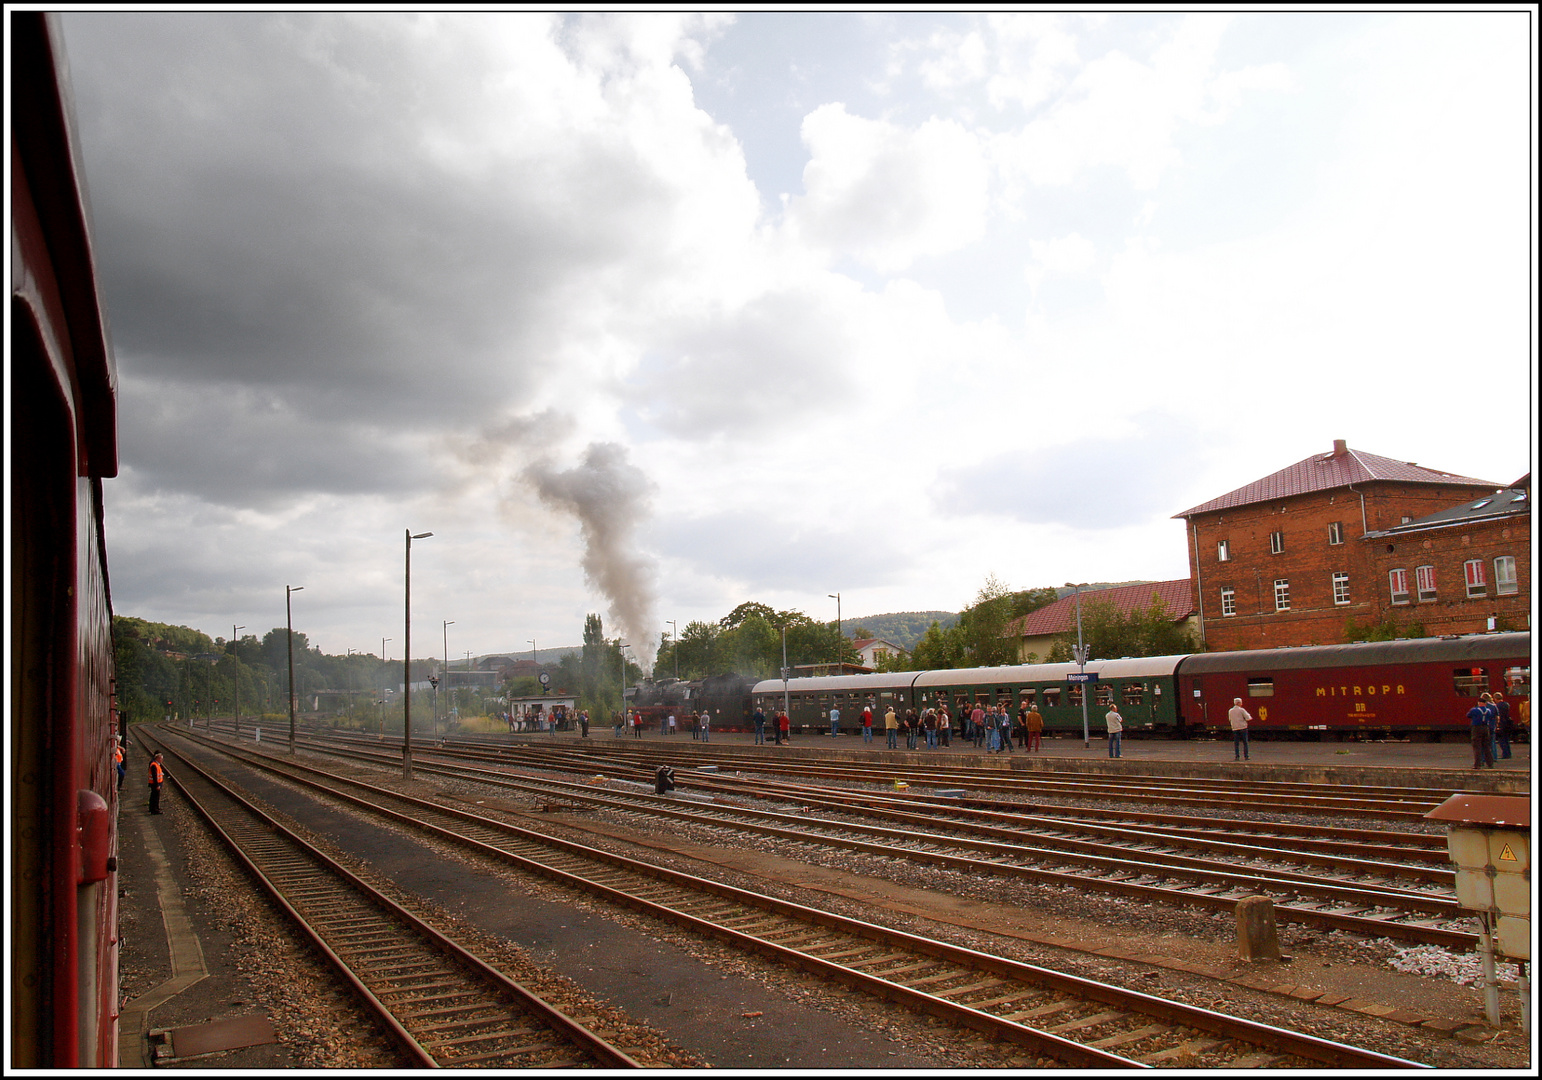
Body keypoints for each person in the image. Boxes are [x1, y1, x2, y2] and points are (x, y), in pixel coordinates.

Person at [1469, 694, 1497, 769]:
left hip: (1477, 728)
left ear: (1479, 703)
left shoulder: (1474, 710)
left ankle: (1478, 764)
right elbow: (1492, 717)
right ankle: (1490, 764)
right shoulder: (1488, 710)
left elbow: (1468, 715)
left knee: (1477, 746)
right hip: (1486, 728)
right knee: (1486, 746)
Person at [1493, 693, 1513, 760]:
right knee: (1506, 739)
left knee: (1501, 740)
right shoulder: (1506, 704)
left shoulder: (1497, 706)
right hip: (1507, 724)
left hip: (1501, 724)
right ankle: (1508, 753)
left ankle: (1505, 754)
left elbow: (1497, 716)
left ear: (1495, 698)